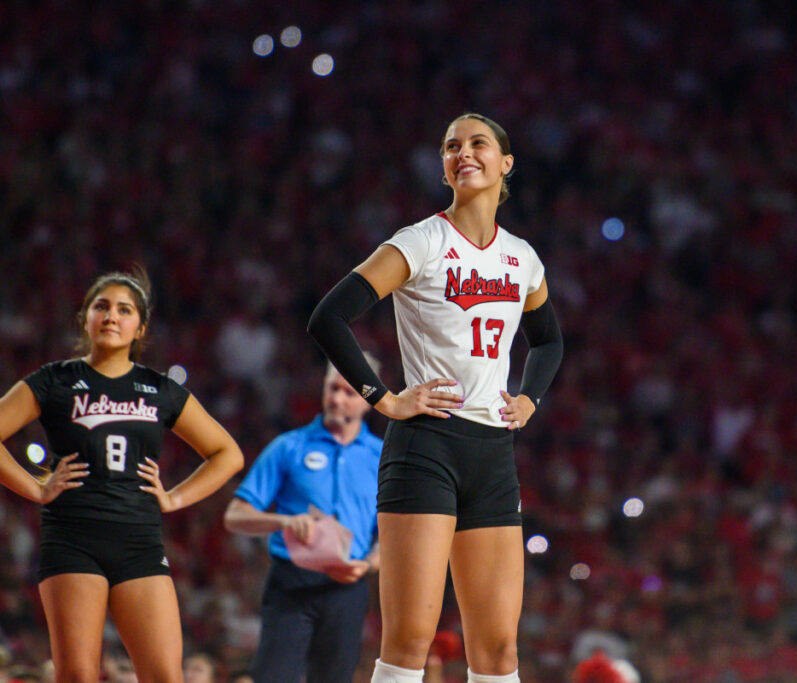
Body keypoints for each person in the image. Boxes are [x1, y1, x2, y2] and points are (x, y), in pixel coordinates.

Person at [307, 112, 563, 683]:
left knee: (498, 652)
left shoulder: (521, 257)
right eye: (452, 146)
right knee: (409, 643)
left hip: (493, 454)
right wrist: (383, 398)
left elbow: (547, 340)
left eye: (477, 144)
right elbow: (328, 318)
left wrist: (530, 399)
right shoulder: (421, 241)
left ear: (506, 164)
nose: (463, 153)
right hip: (425, 447)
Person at [0, 267, 244, 683]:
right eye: (102, 307)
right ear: (86, 319)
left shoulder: (158, 389)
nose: (112, 316)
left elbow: (228, 454)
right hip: (73, 540)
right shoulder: (54, 380)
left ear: (140, 328)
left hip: (139, 543)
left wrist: (175, 498)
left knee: (166, 675)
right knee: (77, 675)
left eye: (124, 310)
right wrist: (37, 488)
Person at [223, 358, 384, 683]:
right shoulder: (288, 447)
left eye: (349, 392)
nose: (337, 399)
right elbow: (235, 516)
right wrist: (283, 522)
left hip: (348, 588)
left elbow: (396, 536)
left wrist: (369, 564)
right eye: (332, 388)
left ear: (370, 399)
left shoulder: (383, 457)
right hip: (290, 584)